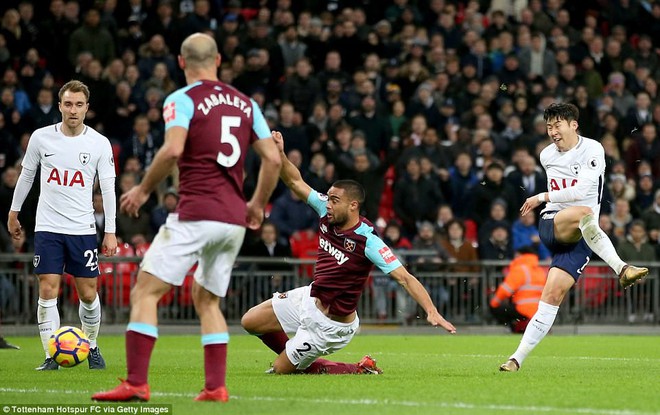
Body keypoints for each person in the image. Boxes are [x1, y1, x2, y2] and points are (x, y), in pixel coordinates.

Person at [92, 33, 281, 403]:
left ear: (181, 62)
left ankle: (135, 383)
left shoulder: (182, 99)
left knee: (145, 290)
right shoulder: (246, 103)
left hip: (196, 212)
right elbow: (273, 159)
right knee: (207, 300)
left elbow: (173, 149)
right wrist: (257, 204)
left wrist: (144, 189)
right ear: (219, 60)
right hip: (232, 220)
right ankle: (215, 387)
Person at [241, 130, 456, 376]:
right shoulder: (325, 210)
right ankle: (294, 355)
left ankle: (357, 368)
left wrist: (431, 310)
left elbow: (404, 277)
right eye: (328, 199)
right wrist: (280, 153)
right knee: (250, 321)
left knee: (281, 371)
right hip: (310, 299)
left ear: (352, 205)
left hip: (331, 325)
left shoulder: (367, 240)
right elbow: (295, 182)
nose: (328, 204)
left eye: (334, 201)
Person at [499, 103, 649, 372]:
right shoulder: (547, 155)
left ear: (573, 125)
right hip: (553, 223)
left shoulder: (592, 149)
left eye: (557, 125)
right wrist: (545, 200)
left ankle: (515, 359)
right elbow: (574, 199)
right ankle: (622, 268)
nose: (552, 131)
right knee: (583, 212)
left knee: (552, 295)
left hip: (582, 236)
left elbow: (581, 189)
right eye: (548, 126)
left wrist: (540, 195)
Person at [7, 80, 118, 371]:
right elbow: (26, 176)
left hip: (82, 229)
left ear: (87, 108)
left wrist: (110, 231)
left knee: (88, 293)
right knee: (48, 289)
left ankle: (92, 347)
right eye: (68, 104)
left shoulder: (98, 143)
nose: (73, 110)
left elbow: (108, 189)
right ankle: (50, 355)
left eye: (79, 104)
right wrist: (13, 212)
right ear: (59, 106)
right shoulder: (41, 138)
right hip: (48, 227)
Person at [489, 246, 546, 333]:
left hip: (523, 309)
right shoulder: (540, 271)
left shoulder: (520, 269)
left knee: (498, 309)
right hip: (539, 310)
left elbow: (505, 290)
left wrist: (494, 303)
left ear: (519, 255)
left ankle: (514, 327)